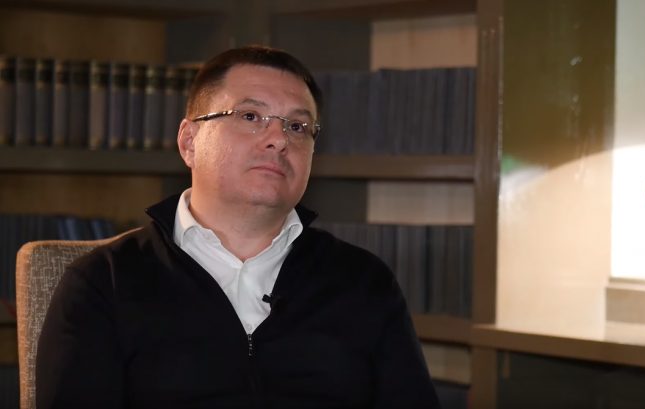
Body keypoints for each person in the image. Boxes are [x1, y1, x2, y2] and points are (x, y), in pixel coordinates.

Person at [35, 45, 440, 409]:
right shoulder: (104, 282)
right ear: (189, 142)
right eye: (250, 116)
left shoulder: (363, 282)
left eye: (297, 126)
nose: (279, 139)